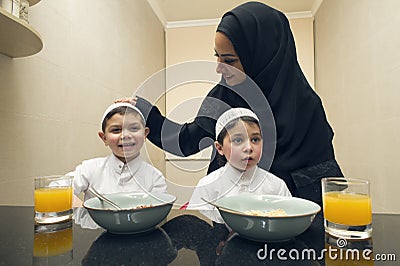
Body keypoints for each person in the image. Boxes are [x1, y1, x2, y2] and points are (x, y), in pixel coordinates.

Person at [127, 1, 343, 204]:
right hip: (227, 216)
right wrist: (146, 113)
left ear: (262, 57)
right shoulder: (221, 96)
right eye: (217, 57)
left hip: (290, 222)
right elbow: (186, 141)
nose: (219, 68)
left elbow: (324, 181)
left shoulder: (307, 106)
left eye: (229, 60)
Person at [187, 108, 291, 223]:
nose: (249, 148)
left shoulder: (277, 186)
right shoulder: (207, 186)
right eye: (238, 140)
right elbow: (196, 229)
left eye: (255, 139)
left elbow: (287, 222)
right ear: (220, 148)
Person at [71, 102, 167, 202]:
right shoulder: (89, 169)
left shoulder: (155, 177)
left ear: (145, 134)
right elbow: (57, 189)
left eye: (134, 128)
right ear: (104, 138)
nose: (125, 135)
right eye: (116, 130)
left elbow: (157, 212)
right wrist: (82, 210)